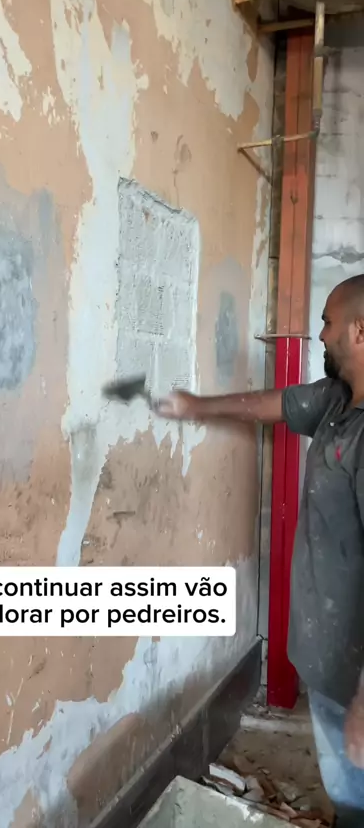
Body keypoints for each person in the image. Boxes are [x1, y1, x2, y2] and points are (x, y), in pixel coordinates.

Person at [154, 275, 364, 828]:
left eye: (328, 322)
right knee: (346, 792)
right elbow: (276, 404)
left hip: (356, 678)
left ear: (360, 331)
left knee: (356, 795)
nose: (321, 334)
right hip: (330, 663)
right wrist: (197, 406)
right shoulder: (337, 400)